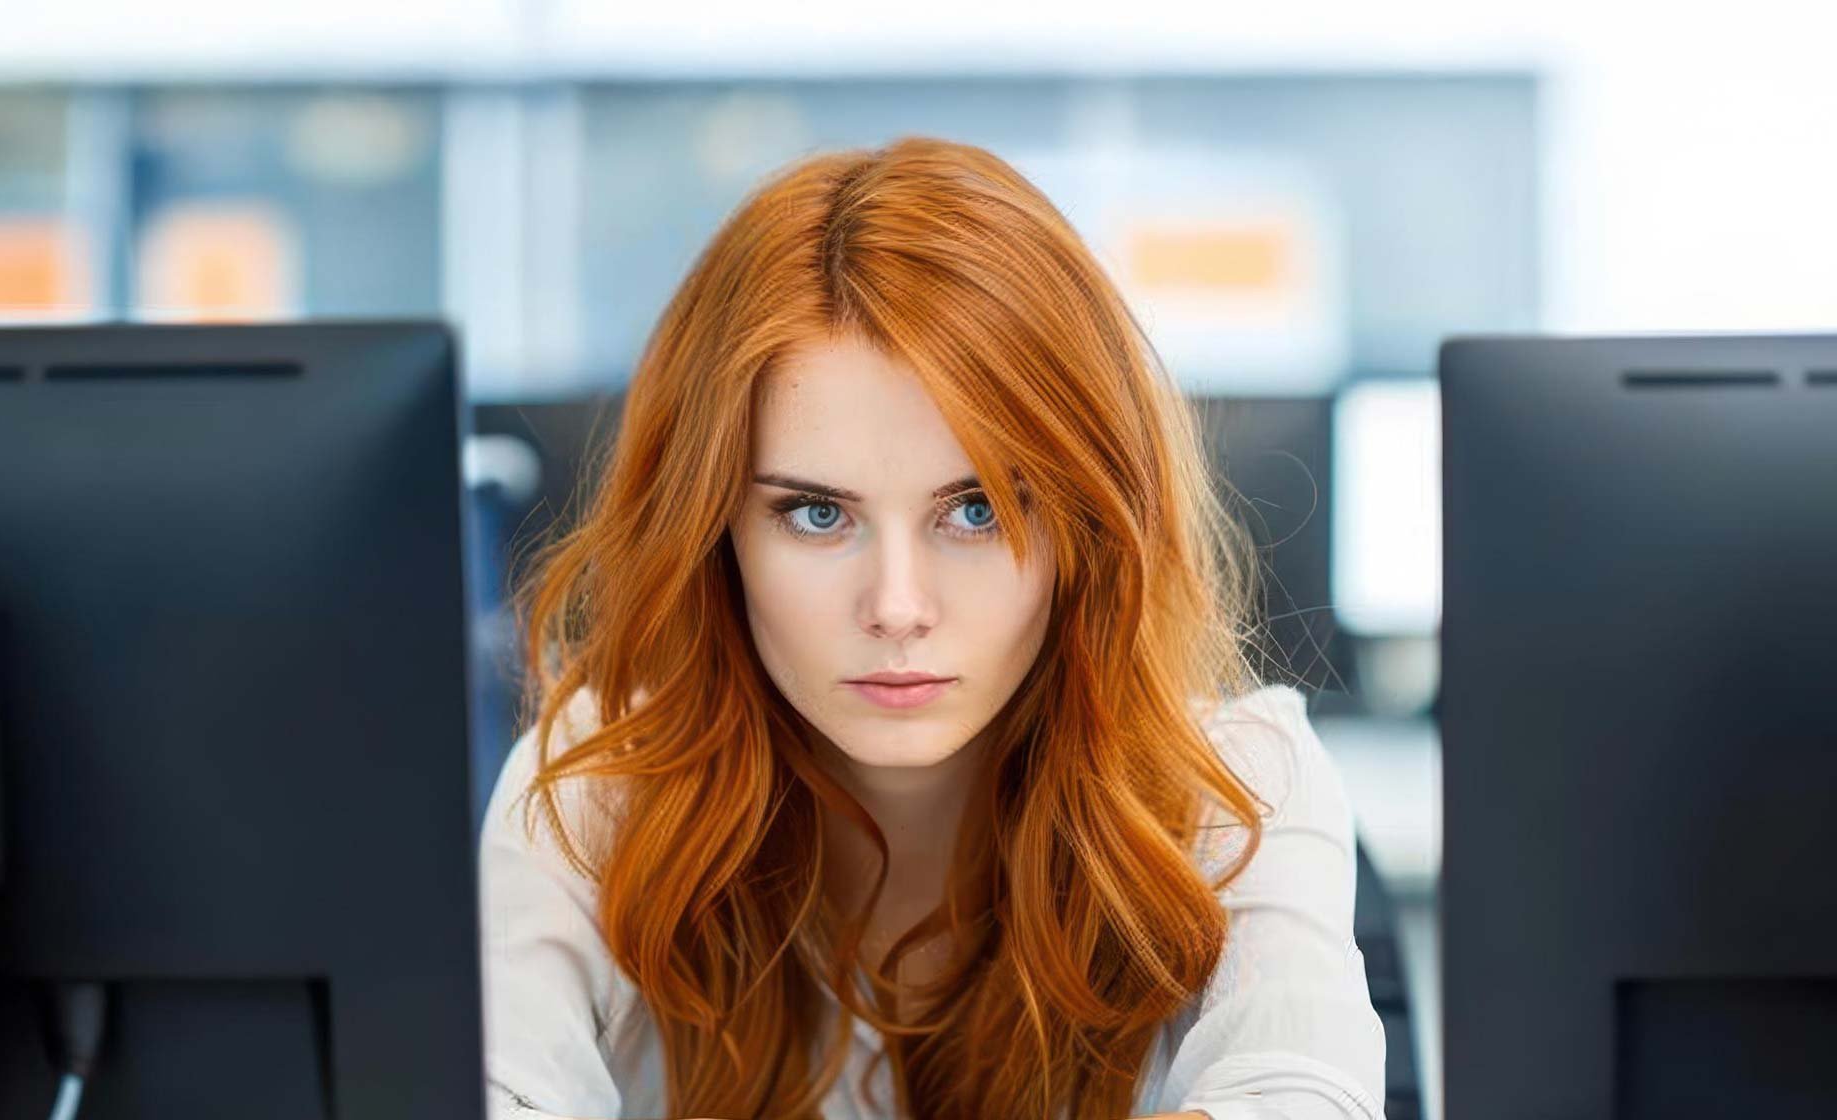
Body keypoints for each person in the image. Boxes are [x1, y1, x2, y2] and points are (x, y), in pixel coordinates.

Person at [480, 136, 1385, 1120]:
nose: (898, 607)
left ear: (1085, 523)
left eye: (979, 510)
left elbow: (1300, 1097)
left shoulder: (1240, 783)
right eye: (818, 514)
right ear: (715, 531)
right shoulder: (597, 785)